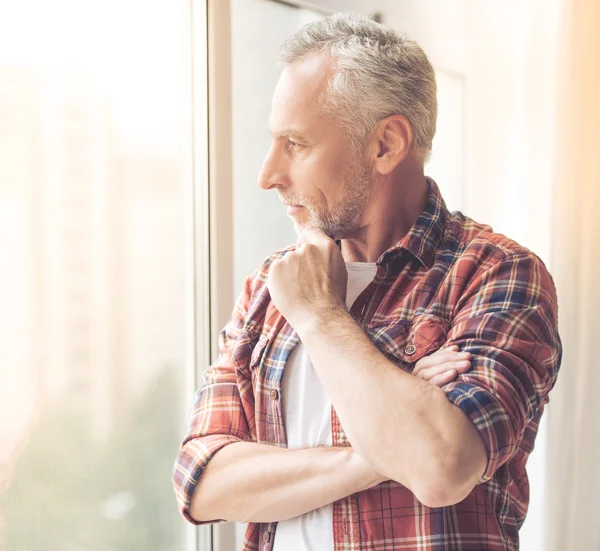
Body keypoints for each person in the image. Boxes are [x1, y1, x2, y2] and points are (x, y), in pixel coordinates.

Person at [172, 12, 562, 551]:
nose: (268, 175)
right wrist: (374, 454)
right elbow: (202, 483)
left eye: (296, 143)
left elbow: (441, 466)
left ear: (386, 144)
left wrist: (319, 315)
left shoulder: (497, 273)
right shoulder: (268, 286)